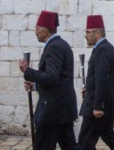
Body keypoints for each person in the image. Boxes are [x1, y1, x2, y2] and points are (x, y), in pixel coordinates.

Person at [19, 11, 78, 150]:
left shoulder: (54, 47)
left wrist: (28, 71)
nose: (35, 32)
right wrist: (35, 86)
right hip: (62, 109)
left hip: (52, 111)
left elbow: (51, 78)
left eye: (37, 29)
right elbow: (58, 80)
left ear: (45, 31)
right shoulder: (61, 44)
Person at [76, 15, 114, 150]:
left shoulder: (103, 49)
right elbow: (99, 79)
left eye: (88, 32)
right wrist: (88, 89)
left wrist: (98, 106)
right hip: (103, 103)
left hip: (98, 106)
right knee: (107, 135)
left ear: (97, 33)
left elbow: (102, 79)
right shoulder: (103, 48)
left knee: (85, 141)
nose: (85, 36)